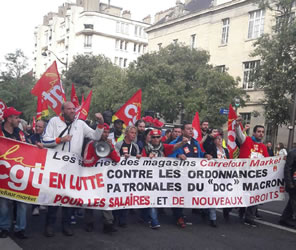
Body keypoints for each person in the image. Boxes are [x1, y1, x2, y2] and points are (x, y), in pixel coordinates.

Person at [42, 101, 104, 237]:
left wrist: (100, 124)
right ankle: (49, 225)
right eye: (69, 109)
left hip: (72, 168)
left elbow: (95, 136)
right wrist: (60, 140)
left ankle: (66, 225)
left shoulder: (80, 124)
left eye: (73, 109)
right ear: (62, 111)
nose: (72, 111)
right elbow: (45, 141)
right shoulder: (54, 121)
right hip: (56, 166)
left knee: (69, 197)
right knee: (53, 196)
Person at [141, 129, 189, 229]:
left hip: (164, 178)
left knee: (174, 195)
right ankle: (154, 220)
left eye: (157, 137)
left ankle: (176, 217)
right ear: (150, 138)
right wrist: (146, 158)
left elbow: (174, 147)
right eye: (153, 137)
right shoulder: (145, 148)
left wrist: (182, 142)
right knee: (152, 199)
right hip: (150, 178)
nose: (155, 139)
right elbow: (141, 162)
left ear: (160, 138)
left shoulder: (163, 147)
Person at [170, 121, 212, 228]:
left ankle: (204, 211)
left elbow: (199, 154)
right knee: (179, 195)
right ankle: (178, 216)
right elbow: (169, 151)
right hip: (180, 174)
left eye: (192, 129)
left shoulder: (195, 143)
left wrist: (205, 154)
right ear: (183, 131)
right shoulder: (176, 142)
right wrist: (178, 154)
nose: (191, 131)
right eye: (188, 129)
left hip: (193, 174)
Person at [83, 123, 120, 233]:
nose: (106, 134)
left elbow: (117, 159)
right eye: (104, 132)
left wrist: (111, 148)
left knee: (106, 199)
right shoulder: (91, 144)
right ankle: (89, 222)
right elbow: (86, 162)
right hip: (92, 177)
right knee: (90, 200)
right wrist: (97, 155)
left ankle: (108, 223)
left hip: (106, 178)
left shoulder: (110, 144)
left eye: (108, 132)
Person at [0, 107, 28, 239]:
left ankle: (20, 229)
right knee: (4, 202)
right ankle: (4, 227)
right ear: (9, 118)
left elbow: (28, 149)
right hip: (3, 174)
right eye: (16, 118)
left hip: (19, 174)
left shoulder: (21, 134)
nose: (18, 120)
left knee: (22, 202)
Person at [235, 118, 269, 227]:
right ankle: (238, 208)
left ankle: (249, 217)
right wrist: (237, 125)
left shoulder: (264, 147)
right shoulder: (246, 140)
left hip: (256, 177)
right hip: (244, 175)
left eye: (262, 132)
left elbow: (268, 161)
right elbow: (239, 135)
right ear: (254, 132)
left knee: (253, 196)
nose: (261, 134)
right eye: (258, 131)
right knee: (241, 194)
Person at [114, 126, 141, 227]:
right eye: (132, 133)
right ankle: (115, 217)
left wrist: (138, 158)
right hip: (119, 175)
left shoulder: (135, 146)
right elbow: (114, 156)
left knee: (126, 198)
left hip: (130, 176)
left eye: (135, 133)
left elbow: (138, 159)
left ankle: (123, 219)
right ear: (126, 133)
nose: (133, 135)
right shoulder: (119, 144)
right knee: (117, 197)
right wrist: (121, 157)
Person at [204, 131, 230, 227]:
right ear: (214, 140)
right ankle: (213, 218)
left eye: (220, 138)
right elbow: (205, 145)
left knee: (225, 194)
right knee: (213, 195)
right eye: (217, 138)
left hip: (224, 176)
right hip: (213, 176)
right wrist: (210, 136)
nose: (219, 140)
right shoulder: (211, 148)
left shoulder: (225, 150)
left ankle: (226, 211)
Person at [29, 120, 47, 216]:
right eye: (36, 126)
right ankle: (34, 207)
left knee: (43, 185)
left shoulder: (47, 138)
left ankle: (41, 203)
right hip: (35, 165)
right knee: (35, 185)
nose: (37, 128)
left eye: (40, 127)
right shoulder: (32, 138)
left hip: (46, 164)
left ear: (44, 128)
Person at [279, 148, 296, 228]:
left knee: (291, 203)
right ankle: (285, 218)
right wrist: (289, 183)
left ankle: (284, 218)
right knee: (294, 202)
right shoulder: (292, 153)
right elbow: (287, 169)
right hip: (293, 183)